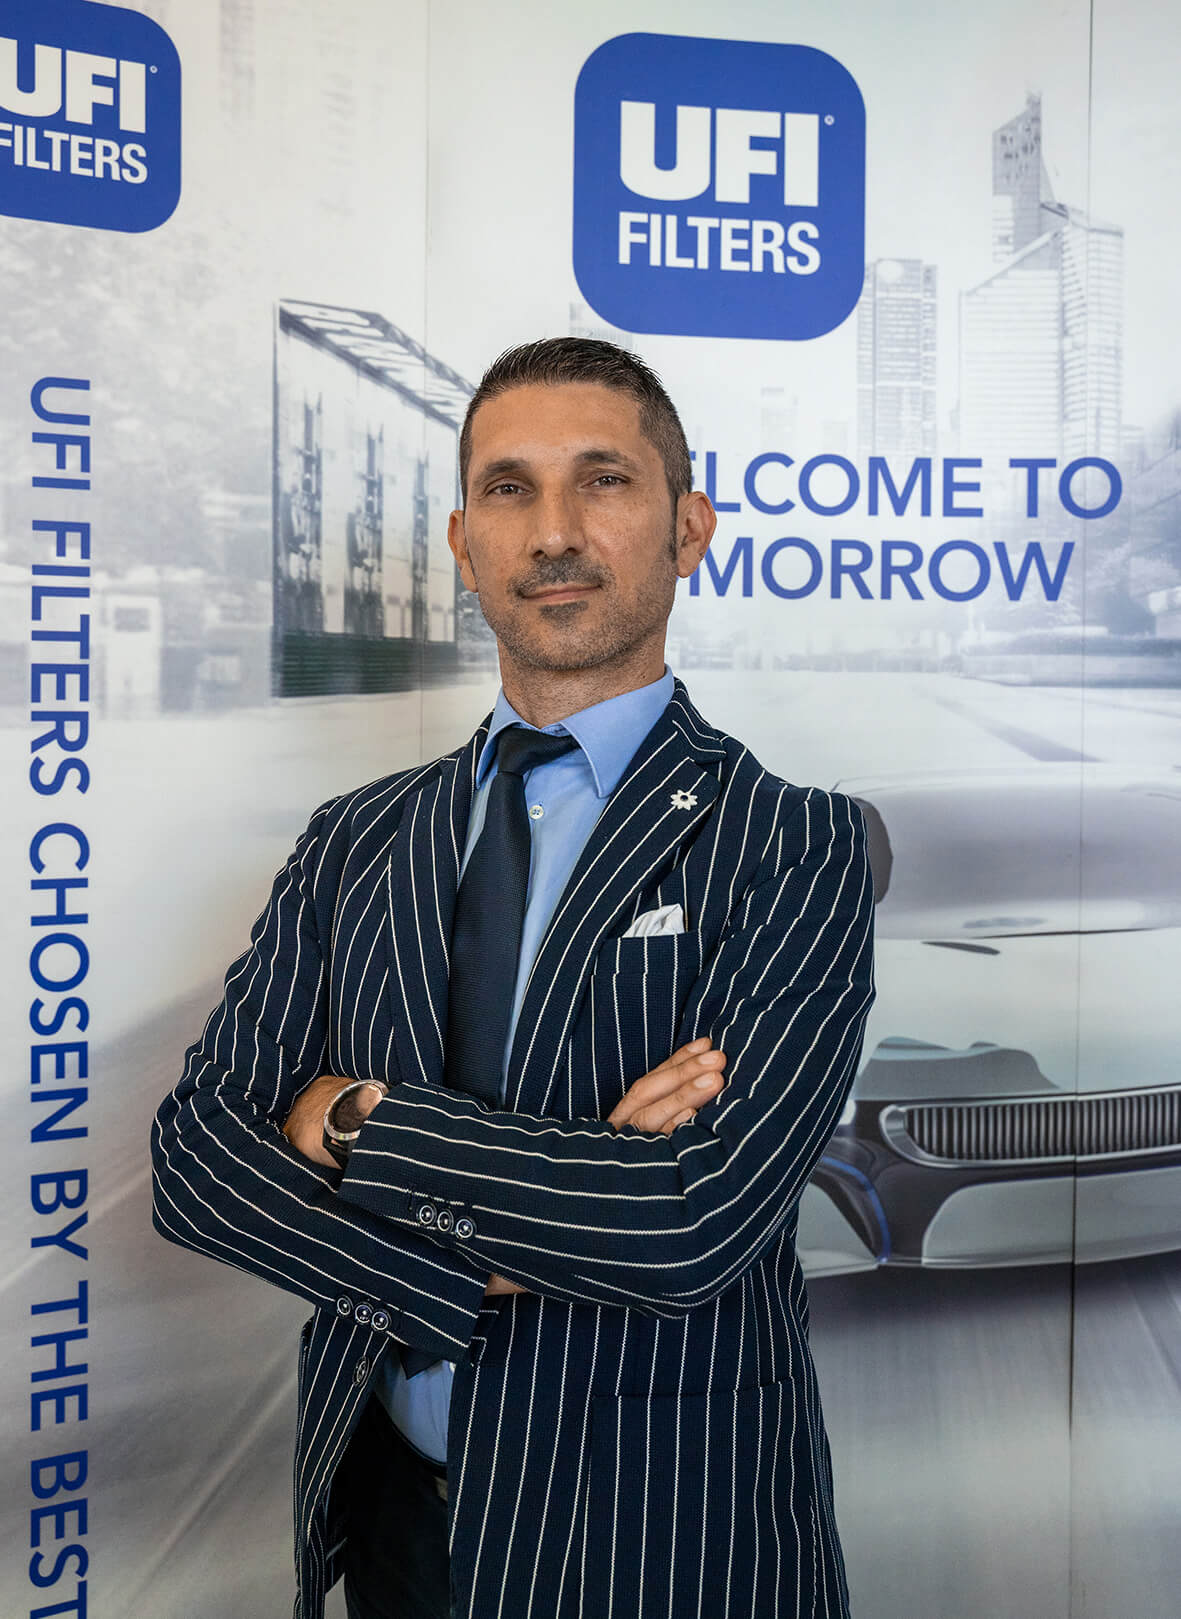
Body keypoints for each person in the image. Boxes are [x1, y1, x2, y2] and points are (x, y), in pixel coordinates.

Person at [150, 337, 877, 1619]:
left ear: (687, 527)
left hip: (665, 1537)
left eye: (602, 479)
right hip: (394, 1525)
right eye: (508, 488)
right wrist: (480, 1255)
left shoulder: (795, 841)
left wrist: (351, 1118)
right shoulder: (355, 836)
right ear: (462, 542)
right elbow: (197, 1159)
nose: (552, 531)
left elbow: (691, 1221)